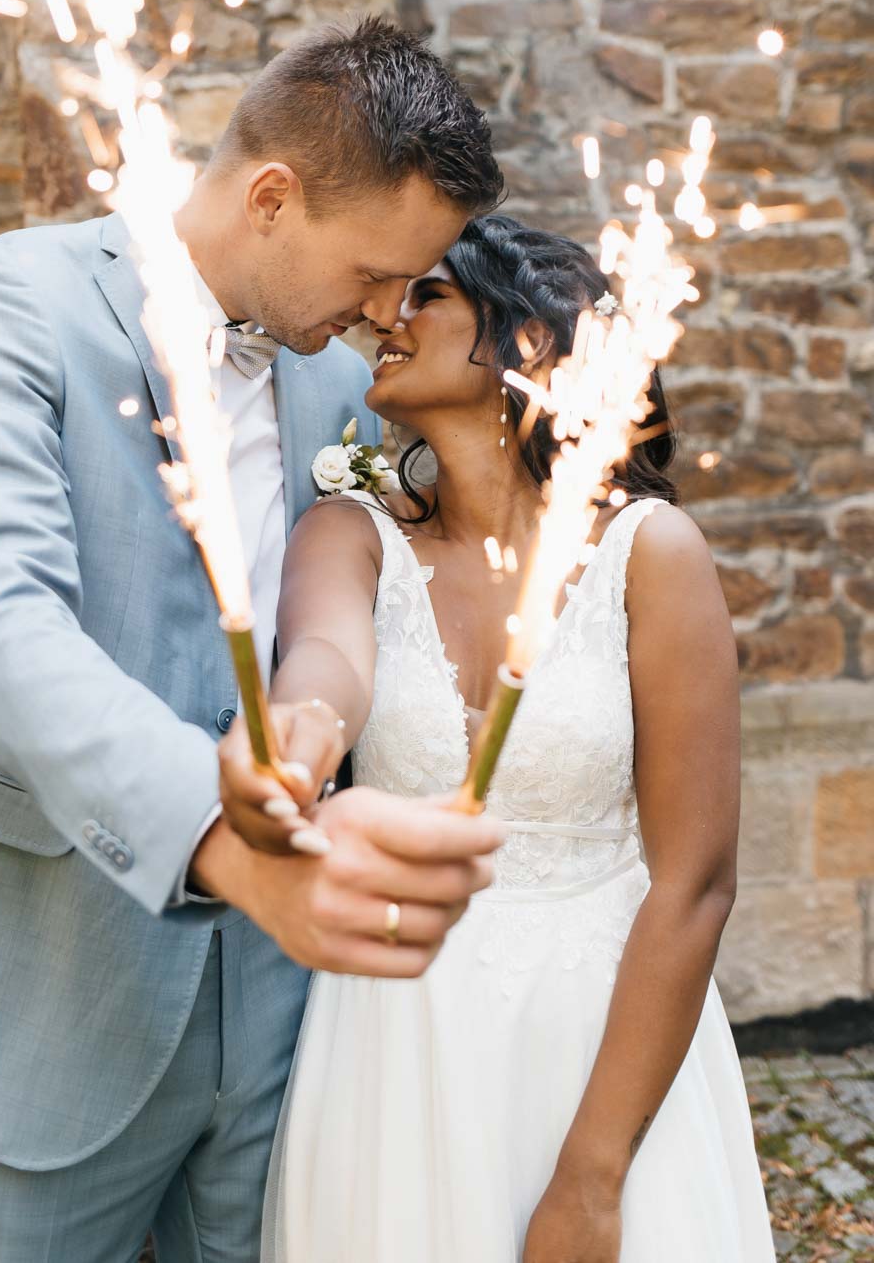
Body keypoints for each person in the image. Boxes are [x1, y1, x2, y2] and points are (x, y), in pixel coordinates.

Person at [0, 17, 506, 1263]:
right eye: (377, 272)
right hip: (43, 1003)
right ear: (271, 198)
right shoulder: (1, 300)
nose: (391, 313)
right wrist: (219, 841)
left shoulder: (342, 390)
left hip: (290, 1035)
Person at [222, 214, 777, 1263]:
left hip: (602, 1036)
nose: (385, 318)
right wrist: (294, 737)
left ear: (524, 341)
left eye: (427, 296)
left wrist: (593, 1180)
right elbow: (328, 661)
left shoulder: (648, 554)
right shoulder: (348, 534)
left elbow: (696, 883)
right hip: (391, 1043)